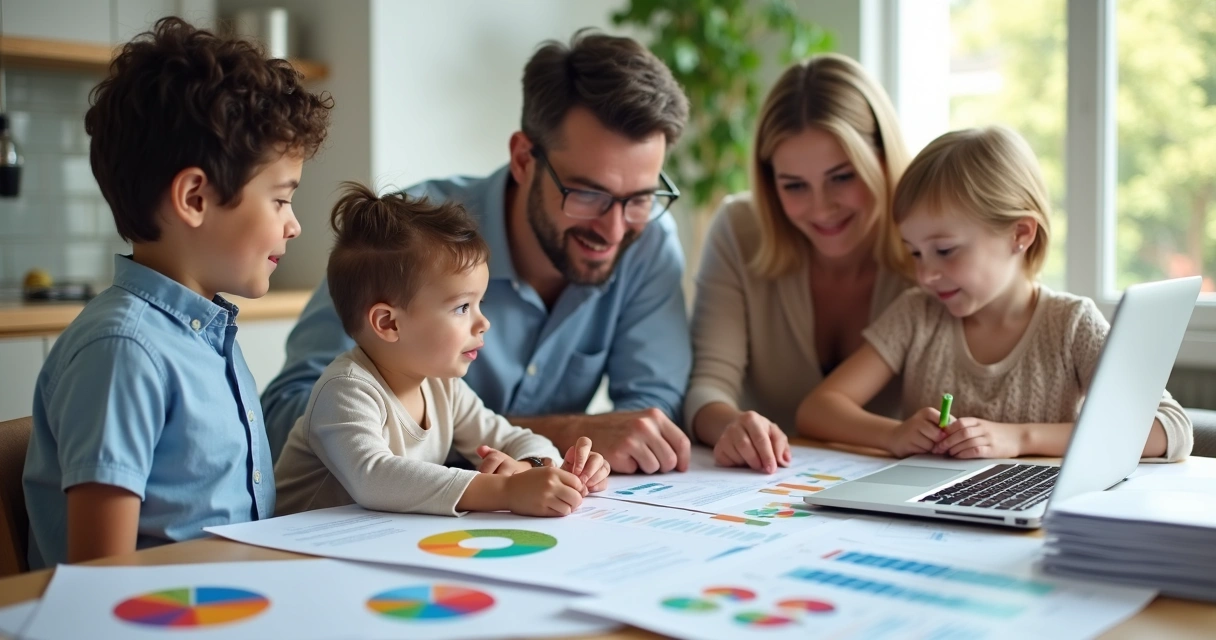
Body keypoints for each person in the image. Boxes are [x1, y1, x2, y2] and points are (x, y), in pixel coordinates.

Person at [263, 30, 693, 474]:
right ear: (524, 159)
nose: (615, 228)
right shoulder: (403, 241)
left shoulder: (648, 240)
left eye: (640, 197)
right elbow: (285, 417)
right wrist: (552, 432)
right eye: (588, 194)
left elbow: (649, 416)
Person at [22, 18, 332, 568]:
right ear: (194, 197)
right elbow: (103, 577)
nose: (294, 226)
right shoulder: (124, 350)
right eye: (281, 200)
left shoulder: (206, 335)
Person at [797, 126, 1193, 461]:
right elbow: (818, 409)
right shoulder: (917, 314)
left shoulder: (1071, 324)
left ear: (1020, 234)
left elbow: (1169, 428)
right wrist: (893, 434)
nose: (926, 275)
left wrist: (1019, 439)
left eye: (946, 250)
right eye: (915, 252)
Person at [274, 184, 610, 517]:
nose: (483, 323)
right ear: (389, 323)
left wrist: (535, 468)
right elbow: (374, 476)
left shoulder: (442, 388)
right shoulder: (345, 390)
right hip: (291, 553)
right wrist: (505, 490)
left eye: (480, 303)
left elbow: (513, 438)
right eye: (463, 307)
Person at [685, 54, 912, 473]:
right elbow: (707, 386)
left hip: (892, 485)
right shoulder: (739, 230)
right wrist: (730, 425)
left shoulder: (933, 245)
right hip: (762, 488)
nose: (822, 209)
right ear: (771, 183)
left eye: (842, 177)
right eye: (794, 186)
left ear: (882, 159)